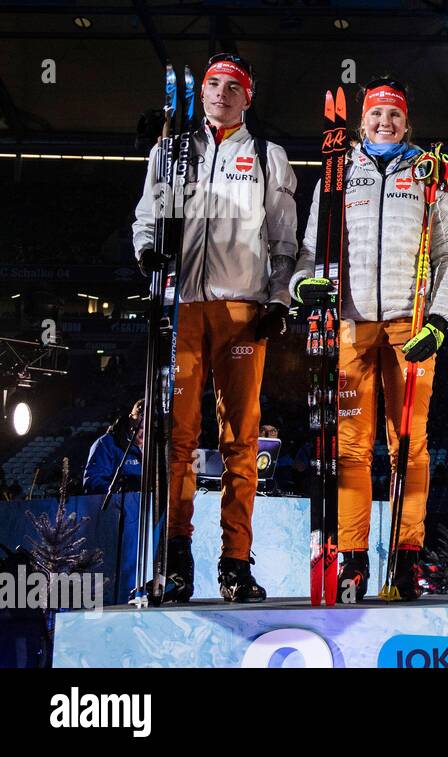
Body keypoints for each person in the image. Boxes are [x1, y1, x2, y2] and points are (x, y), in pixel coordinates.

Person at [131, 53, 299, 603]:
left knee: (240, 442)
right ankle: (175, 558)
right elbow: (145, 216)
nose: (222, 93)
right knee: (176, 441)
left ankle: (234, 563)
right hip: (182, 307)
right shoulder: (173, 151)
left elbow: (284, 242)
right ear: (200, 92)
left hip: (241, 311)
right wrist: (147, 250)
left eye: (234, 87)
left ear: (248, 97)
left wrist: (278, 297)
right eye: (213, 85)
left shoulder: (268, 157)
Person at [293, 77, 448, 601]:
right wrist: (307, 285)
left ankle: (407, 557)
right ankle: (354, 560)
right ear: (360, 122)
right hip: (351, 321)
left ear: (407, 122)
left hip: (410, 323)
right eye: (375, 115)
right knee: (351, 448)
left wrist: (439, 319)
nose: (384, 122)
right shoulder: (337, 174)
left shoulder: (433, 173)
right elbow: (309, 248)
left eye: (393, 115)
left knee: (409, 446)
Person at [83, 400, 144, 495]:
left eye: (149, 429)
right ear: (131, 420)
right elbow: (92, 483)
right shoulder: (106, 444)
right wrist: (123, 490)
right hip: (118, 506)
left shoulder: (158, 447)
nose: (144, 434)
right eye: (141, 428)